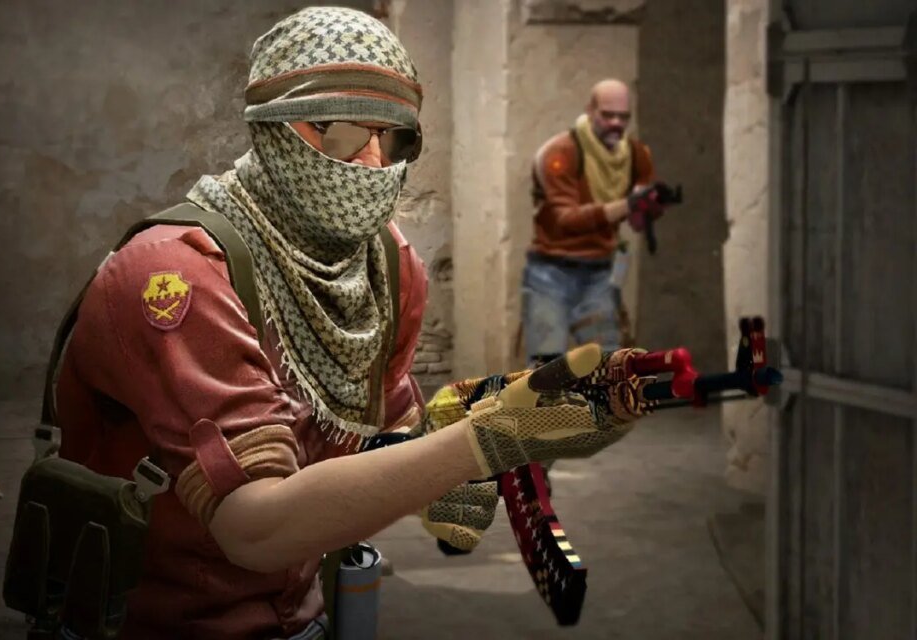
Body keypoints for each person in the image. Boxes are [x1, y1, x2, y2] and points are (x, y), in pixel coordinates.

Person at [54, 8, 654, 640]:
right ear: (271, 126)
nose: (370, 163)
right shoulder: (176, 275)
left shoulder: (386, 266)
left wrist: (478, 427)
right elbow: (253, 529)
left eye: (395, 140)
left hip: (305, 617)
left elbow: (380, 443)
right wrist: (481, 441)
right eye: (339, 133)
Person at [521, 79, 668, 366]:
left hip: (599, 272)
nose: (616, 123)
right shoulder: (560, 153)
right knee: (545, 370)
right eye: (607, 115)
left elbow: (638, 222)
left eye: (623, 117)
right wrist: (627, 204)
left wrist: (648, 207)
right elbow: (566, 220)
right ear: (590, 111)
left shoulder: (636, 155)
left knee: (607, 367)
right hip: (550, 272)